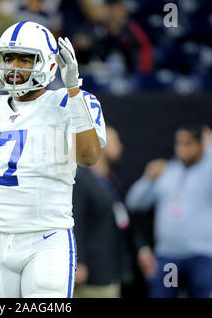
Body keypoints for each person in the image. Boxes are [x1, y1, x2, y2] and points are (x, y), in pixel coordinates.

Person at [0, 21, 107, 298]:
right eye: (8, 58)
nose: (14, 66)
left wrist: (73, 90)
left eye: (26, 59)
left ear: (48, 64)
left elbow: (88, 157)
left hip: (47, 239)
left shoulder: (70, 102)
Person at [126, 125, 212, 298]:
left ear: (200, 145)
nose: (182, 148)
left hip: (201, 256)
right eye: (179, 143)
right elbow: (135, 203)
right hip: (169, 257)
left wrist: (211, 149)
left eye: (188, 143)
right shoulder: (167, 170)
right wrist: (147, 180)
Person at [73, 126, 149, 298]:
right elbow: (75, 222)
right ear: (100, 143)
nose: (120, 146)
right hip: (91, 276)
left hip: (111, 272)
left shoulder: (110, 180)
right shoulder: (80, 179)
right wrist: (78, 262)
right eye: (115, 141)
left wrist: (141, 249)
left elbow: (123, 221)